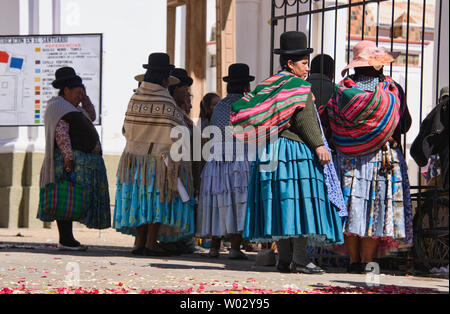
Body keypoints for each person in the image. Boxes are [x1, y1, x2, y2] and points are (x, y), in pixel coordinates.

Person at [231, 31, 346, 273]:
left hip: (269, 151)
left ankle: (284, 259)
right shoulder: (298, 87)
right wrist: (319, 145)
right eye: (304, 63)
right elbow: (306, 121)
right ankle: (302, 260)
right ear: (290, 63)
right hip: (294, 152)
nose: (307, 69)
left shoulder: (268, 85)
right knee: (301, 202)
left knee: (281, 203)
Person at [322, 40, 413, 273]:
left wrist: (351, 136)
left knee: (352, 207)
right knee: (375, 207)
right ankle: (368, 262)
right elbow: (404, 124)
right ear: (377, 65)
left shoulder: (340, 91)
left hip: (348, 158)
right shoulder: (392, 90)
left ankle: (352, 261)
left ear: (355, 66)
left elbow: (328, 123)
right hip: (381, 157)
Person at [113, 53, 195, 256]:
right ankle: (151, 243)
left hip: (133, 158)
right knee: (156, 199)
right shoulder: (166, 101)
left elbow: (125, 129)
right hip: (159, 160)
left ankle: (139, 243)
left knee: (140, 199)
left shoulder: (135, 98)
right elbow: (179, 133)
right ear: (165, 79)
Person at [38, 66, 111, 251]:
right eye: (78, 92)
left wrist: (85, 100)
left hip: (78, 162)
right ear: (66, 90)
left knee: (71, 200)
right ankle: (66, 239)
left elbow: (92, 116)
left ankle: (68, 239)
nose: (80, 96)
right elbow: (61, 135)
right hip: (68, 163)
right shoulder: (59, 107)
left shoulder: (74, 108)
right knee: (66, 199)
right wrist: (68, 160)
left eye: (82, 93)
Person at [198, 63, 255, 259]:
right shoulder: (250, 103)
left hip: (216, 160)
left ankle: (214, 247)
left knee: (218, 203)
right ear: (246, 86)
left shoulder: (220, 105)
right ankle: (234, 248)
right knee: (239, 203)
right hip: (240, 160)